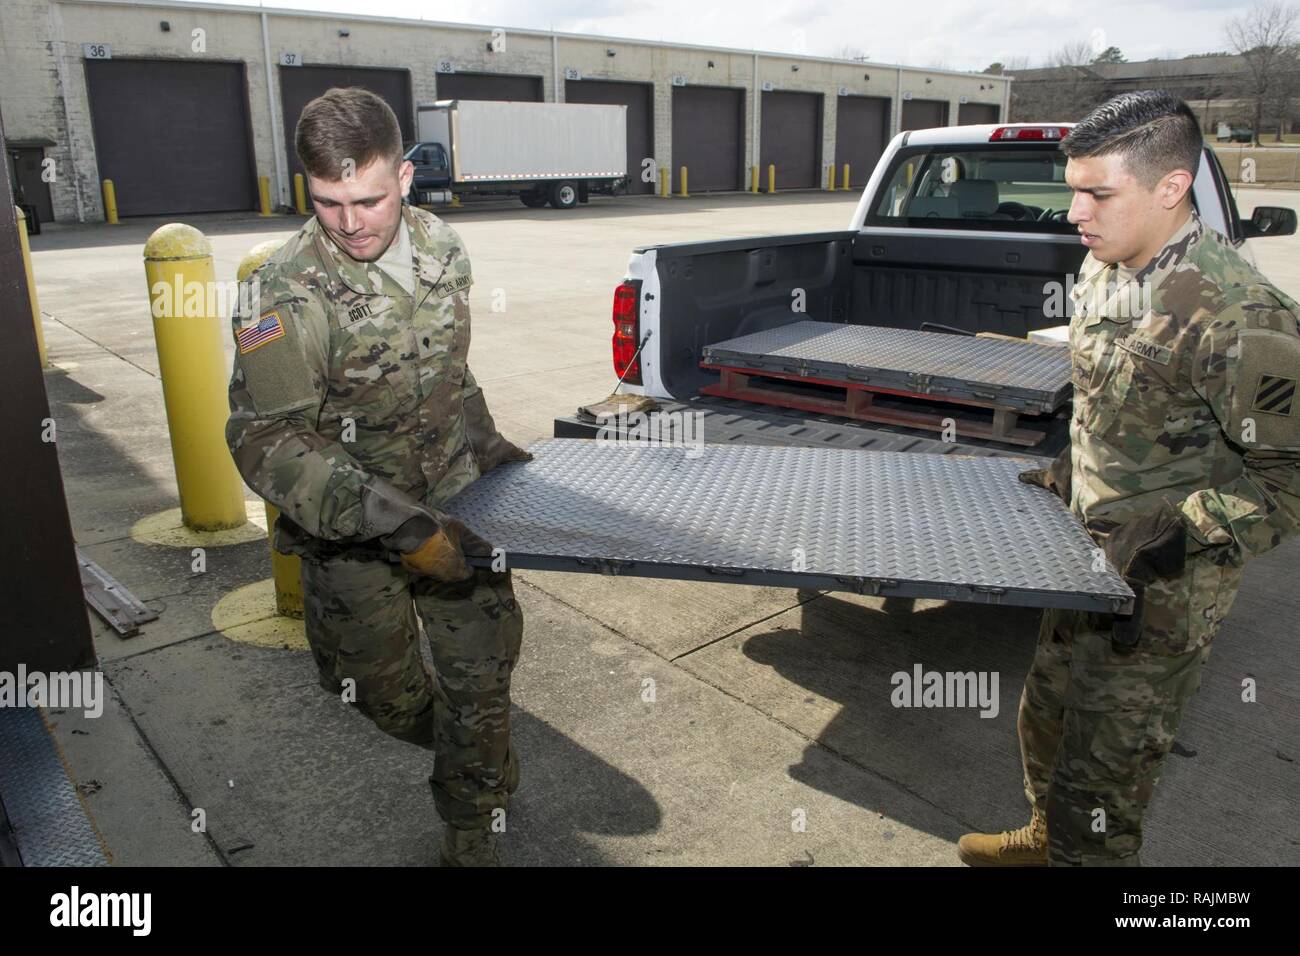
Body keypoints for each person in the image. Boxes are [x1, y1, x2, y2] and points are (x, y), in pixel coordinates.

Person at [958, 90, 1300, 866]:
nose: (1074, 210)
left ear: (1171, 188)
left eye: (1097, 193)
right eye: (1073, 187)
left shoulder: (1241, 317)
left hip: (1164, 589)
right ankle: (1044, 841)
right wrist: (1072, 469)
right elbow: (1112, 397)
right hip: (1084, 558)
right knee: (1044, 720)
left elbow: (1289, 480)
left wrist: (1181, 531)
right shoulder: (1105, 266)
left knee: (1102, 784)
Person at [225, 87, 530, 866]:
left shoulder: (441, 247)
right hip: (353, 531)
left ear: (404, 175)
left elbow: (454, 375)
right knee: (380, 698)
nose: (351, 223)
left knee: (480, 682)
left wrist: (496, 456)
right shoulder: (280, 293)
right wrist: (400, 524)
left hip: (459, 502)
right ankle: (467, 750)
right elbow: (268, 439)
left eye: (367, 198)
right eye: (329, 203)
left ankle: (473, 823)